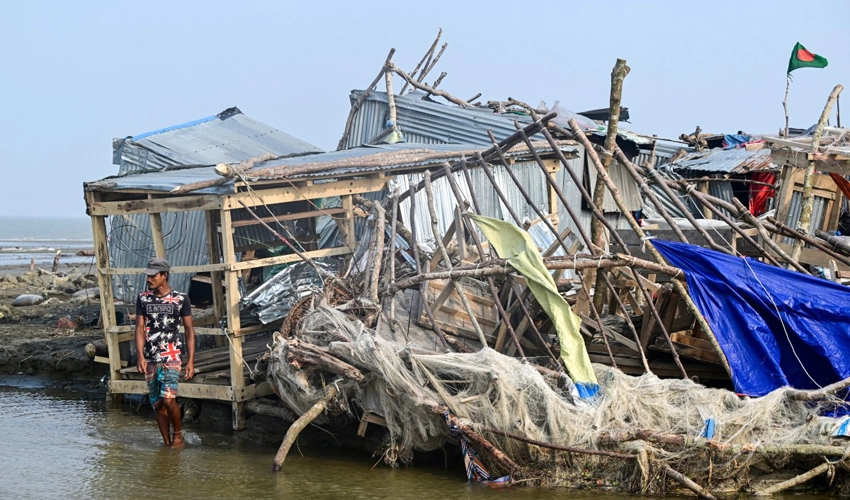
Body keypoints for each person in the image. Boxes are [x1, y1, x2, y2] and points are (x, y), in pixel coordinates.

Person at [134, 257, 195, 447]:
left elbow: (189, 330)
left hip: (172, 356)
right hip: (151, 357)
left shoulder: (181, 299)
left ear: (164, 276)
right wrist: (140, 356)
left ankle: (177, 435)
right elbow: (139, 328)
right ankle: (167, 442)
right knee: (157, 403)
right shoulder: (143, 298)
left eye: (153, 276)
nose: (149, 279)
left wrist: (191, 360)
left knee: (169, 400)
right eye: (148, 276)